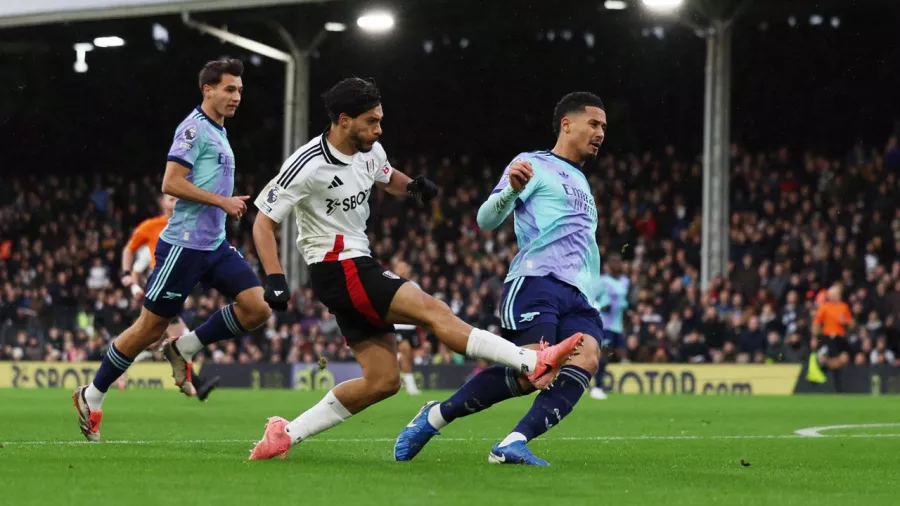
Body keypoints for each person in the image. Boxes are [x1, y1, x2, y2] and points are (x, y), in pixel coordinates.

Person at [246, 78, 584, 461]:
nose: (379, 129)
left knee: (383, 381)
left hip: (356, 265)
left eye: (380, 121)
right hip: (338, 267)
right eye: (371, 121)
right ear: (343, 120)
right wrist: (274, 278)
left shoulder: (369, 150)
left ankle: (285, 434)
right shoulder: (307, 164)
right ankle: (531, 360)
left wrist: (413, 187)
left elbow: (387, 176)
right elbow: (263, 222)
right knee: (434, 311)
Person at [394, 92, 607, 466]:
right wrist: (511, 189)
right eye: (594, 123)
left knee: (586, 358)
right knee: (532, 372)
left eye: (604, 126)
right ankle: (436, 415)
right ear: (567, 124)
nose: (601, 132)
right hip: (536, 282)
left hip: (580, 296)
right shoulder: (532, 164)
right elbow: (486, 220)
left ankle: (513, 442)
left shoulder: (583, 183)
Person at [73, 59, 271, 441]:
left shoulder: (219, 130)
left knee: (258, 306)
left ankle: (184, 348)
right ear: (207, 89)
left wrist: (221, 204)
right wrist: (222, 201)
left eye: (240, 90)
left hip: (214, 245)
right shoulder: (194, 129)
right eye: (229, 89)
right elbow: (170, 183)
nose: (237, 96)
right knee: (149, 329)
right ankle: (91, 395)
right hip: (183, 246)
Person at [118, 194, 220, 401]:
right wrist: (127, 275)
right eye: (170, 199)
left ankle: (115, 369)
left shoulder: (189, 224)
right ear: (162, 203)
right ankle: (197, 385)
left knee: (150, 339)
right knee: (178, 336)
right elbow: (129, 250)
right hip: (161, 285)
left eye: (177, 199)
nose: (175, 202)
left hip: (178, 287)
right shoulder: (151, 226)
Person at [591, 253, 629, 400]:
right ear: (608, 265)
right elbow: (593, 298)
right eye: (613, 261)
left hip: (618, 326)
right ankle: (597, 387)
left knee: (623, 354)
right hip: (605, 325)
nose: (617, 264)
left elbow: (624, 303)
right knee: (604, 354)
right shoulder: (603, 281)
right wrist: (601, 305)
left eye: (618, 261)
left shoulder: (625, 281)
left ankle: (614, 384)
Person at [393, 261, 421, 395]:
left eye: (404, 268)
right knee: (406, 350)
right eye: (400, 268)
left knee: (410, 356)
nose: (402, 271)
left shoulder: (414, 286)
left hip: (412, 327)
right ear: (395, 269)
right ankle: (411, 387)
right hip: (398, 326)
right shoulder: (390, 285)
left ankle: (397, 359)